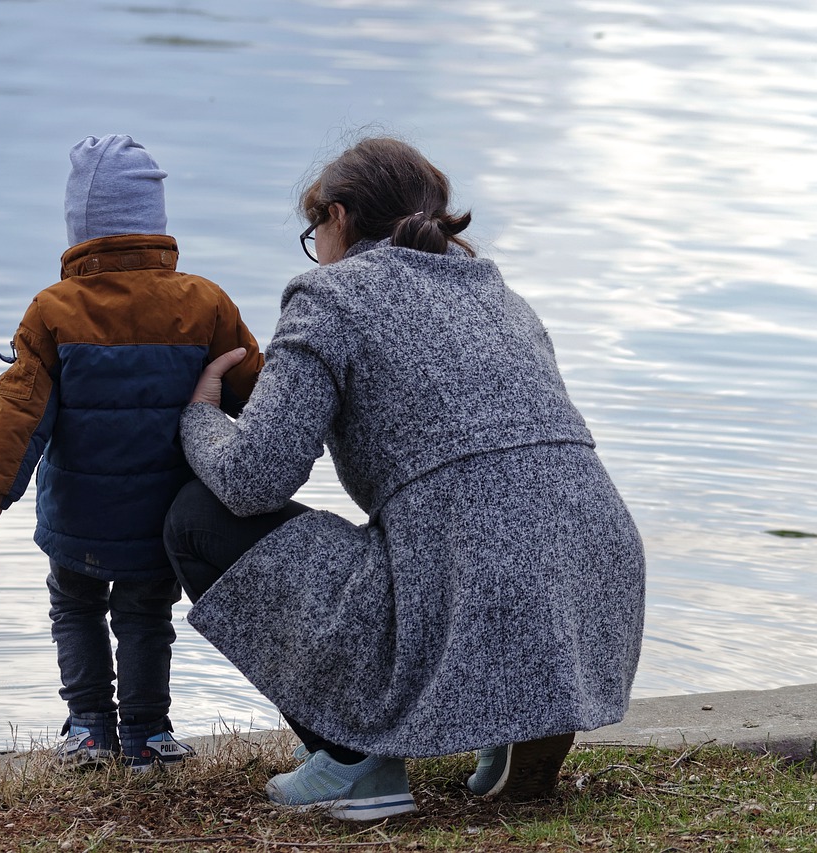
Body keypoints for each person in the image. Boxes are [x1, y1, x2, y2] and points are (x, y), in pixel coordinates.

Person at [163, 136, 645, 818]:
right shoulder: (501, 296)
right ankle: (520, 716)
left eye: (313, 232)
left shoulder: (328, 296)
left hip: (475, 578)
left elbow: (252, 479)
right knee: (468, 524)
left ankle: (357, 764)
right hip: (598, 580)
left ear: (336, 217)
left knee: (196, 517)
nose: (315, 249)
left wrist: (202, 417)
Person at [0, 134, 263, 772]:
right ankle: (149, 733)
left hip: (78, 514)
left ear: (80, 229)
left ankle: (89, 728)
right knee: (147, 615)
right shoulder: (205, 303)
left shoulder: (53, 310)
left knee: (75, 606)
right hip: (159, 518)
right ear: (155, 225)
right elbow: (258, 393)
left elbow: (23, 411)